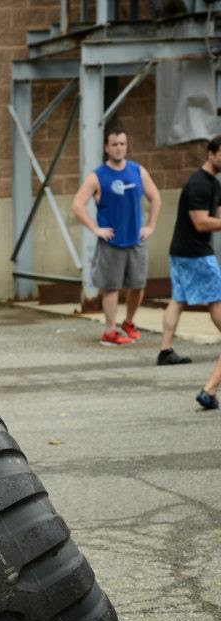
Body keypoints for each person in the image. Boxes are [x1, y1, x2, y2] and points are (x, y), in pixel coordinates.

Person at [72, 125, 161, 346]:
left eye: (122, 144)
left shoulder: (138, 171)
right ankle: (110, 331)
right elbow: (77, 205)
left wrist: (150, 226)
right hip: (112, 241)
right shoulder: (98, 176)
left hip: (136, 240)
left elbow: (156, 198)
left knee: (138, 285)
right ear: (107, 147)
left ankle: (128, 323)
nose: (119, 148)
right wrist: (95, 229)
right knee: (112, 287)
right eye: (114, 144)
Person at [158, 136, 221, 409]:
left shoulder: (215, 184)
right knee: (216, 296)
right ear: (211, 153)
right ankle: (208, 390)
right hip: (194, 253)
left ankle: (165, 348)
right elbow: (201, 222)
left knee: (179, 298)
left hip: (185, 252)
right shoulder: (198, 183)